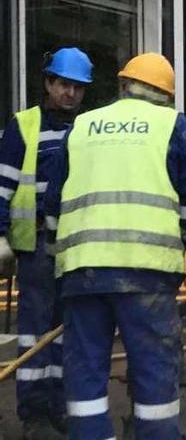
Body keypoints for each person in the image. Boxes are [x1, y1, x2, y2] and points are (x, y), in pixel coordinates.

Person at [44, 53, 186, 440]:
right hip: (147, 272)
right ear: (166, 95)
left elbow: (53, 204)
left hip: (83, 273)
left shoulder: (83, 125)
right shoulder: (173, 125)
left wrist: (58, 254)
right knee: (153, 370)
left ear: (123, 87)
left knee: (85, 374)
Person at [0, 47, 93, 439]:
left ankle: (58, 405)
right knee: (34, 331)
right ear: (48, 83)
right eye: (63, 84)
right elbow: (2, 186)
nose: (70, 93)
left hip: (73, 247)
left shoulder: (89, 129)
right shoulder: (24, 126)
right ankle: (34, 413)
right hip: (36, 247)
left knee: (64, 331)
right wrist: (2, 236)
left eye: (77, 87)